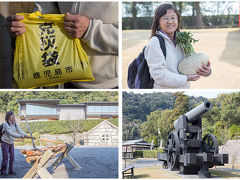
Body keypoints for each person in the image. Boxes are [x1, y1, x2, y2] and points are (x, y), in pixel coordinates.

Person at [6, 2, 118, 89]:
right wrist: (25, 27)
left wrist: (90, 30)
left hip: (109, 84)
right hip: (66, 75)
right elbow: (44, 15)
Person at [144, 3, 211, 89]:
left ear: (178, 20)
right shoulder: (155, 42)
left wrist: (206, 71)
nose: (170, 22)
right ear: (158, 22)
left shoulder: (183, 39)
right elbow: (159, 75)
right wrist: (185, 79)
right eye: (165, 18)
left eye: (173, 18)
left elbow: (191, 64)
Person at [1, 111, 28, 176]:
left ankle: (11, 170)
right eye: (11, 115)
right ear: (8, 117)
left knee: (12, 157)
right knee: (6, 157)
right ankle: (3, 171)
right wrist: (21, 136)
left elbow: (20, 131)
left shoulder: (15, 124)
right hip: (5, 142)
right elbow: (11, 134)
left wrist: (25, 135)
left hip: (11, 142)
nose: (13, 116)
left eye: (13, 115)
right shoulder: (5, 124)